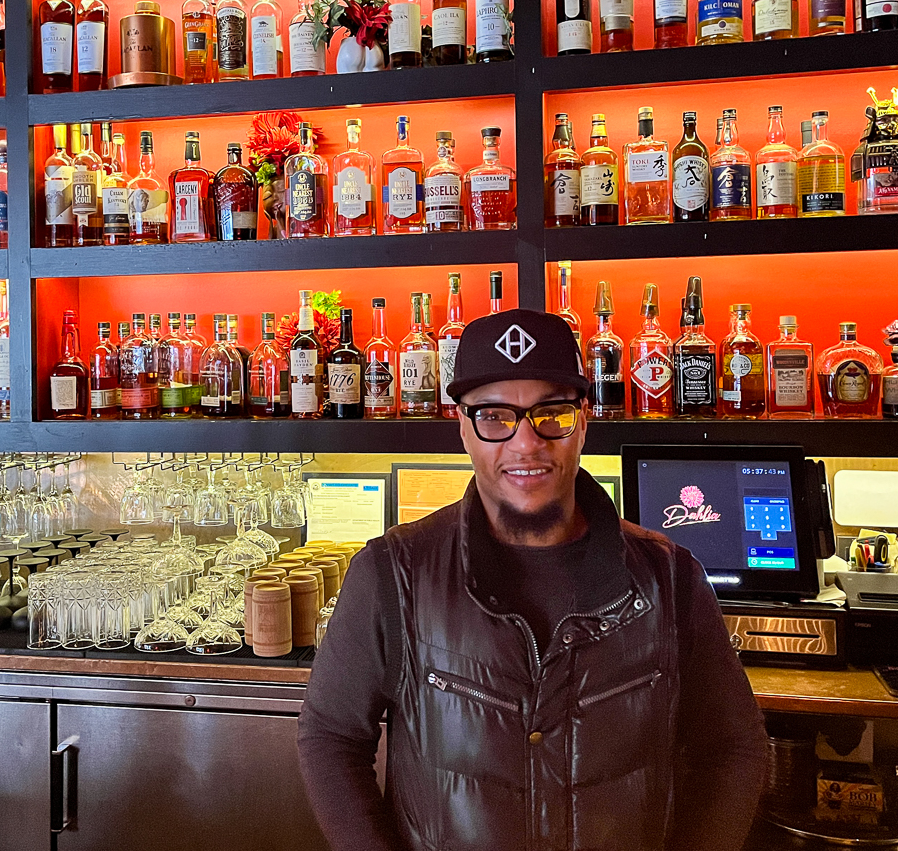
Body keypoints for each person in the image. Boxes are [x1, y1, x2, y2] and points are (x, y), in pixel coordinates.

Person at [297, 309, 768, 851]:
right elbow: (330, 739)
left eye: (552, 414)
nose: (526, 443)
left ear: (583, 423)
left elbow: (733, 747)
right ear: (463, 429)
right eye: (495, 416)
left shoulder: (669, 576)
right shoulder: (394, 573)